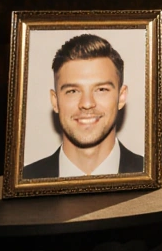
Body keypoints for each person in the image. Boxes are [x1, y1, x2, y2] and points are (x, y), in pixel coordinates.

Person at [22, 34, 143, 178]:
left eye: (101, 89)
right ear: (55, 101)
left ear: (121, 97)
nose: (86, 103)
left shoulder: (154, 179)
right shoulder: (24, 180)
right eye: (73, 91)